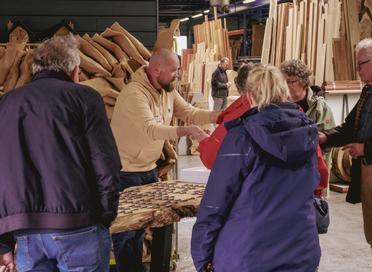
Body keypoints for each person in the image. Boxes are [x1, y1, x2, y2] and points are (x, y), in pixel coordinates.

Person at [0, 34, 121, 272]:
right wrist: (105, 216)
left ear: (34, 68)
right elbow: (106, 165)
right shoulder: (85, 98)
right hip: (79, 226)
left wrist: (3, 243)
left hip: (27, 234)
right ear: (74, 70)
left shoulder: (7, 104)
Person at [191, 64, 321, 272]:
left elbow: (216, 203)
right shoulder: (307, 132)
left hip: (250, 254)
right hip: (301, 251)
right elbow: (318, 182)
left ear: (249, 96)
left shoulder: (241, 136)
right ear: (283, 91)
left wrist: (201, 256)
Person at [111, 48, 220, 272]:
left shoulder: (166, 89)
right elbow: (151, 129)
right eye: (174, 70)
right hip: (125, 172)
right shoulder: (135, 94)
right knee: (126, 234)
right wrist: (187, 131)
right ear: (156, 69)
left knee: (144, 229)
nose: (177, 75)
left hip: (148, 170)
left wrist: (219, 116)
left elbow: (189, 112)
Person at [319, 38, 372, 271]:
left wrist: (366, 148)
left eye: (360, 64)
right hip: (365, 170)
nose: (357, 70)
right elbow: (350, 128)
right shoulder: (367, 92)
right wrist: (325, 137)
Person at [280, 59, 336, 177]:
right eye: (284, 81)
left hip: (312, 170)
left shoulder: (320, 108)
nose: (286, 86)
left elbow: (327, 143)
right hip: (284, 170)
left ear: (304, 81)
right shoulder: (278, 105)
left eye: (291, 81)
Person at [198, 63, 253, 169]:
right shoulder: (283, 109)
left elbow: (211, 159)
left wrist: (204, 141)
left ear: (239, 87)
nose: (227, 65)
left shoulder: (235, 118)